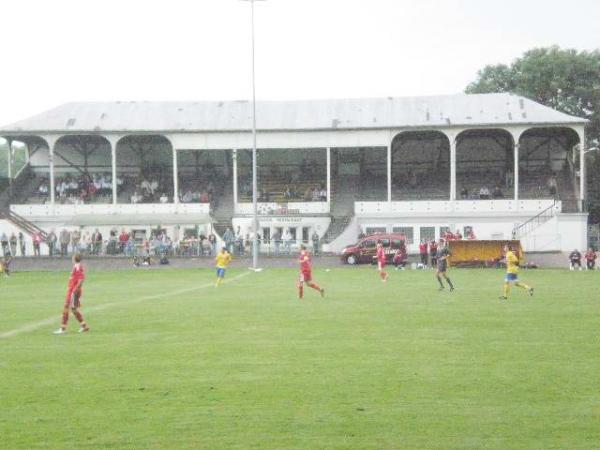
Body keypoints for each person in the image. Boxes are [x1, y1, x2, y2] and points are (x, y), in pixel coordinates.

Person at [53, 253, 90, 334]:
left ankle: (63, 329)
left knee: (66, 307)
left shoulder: (77, 267)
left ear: (74, 259)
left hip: (73, 292)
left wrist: (75, 290)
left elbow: (81, 279)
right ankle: (84, 326)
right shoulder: (77, 266)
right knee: (73, 309)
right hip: (73, 291)